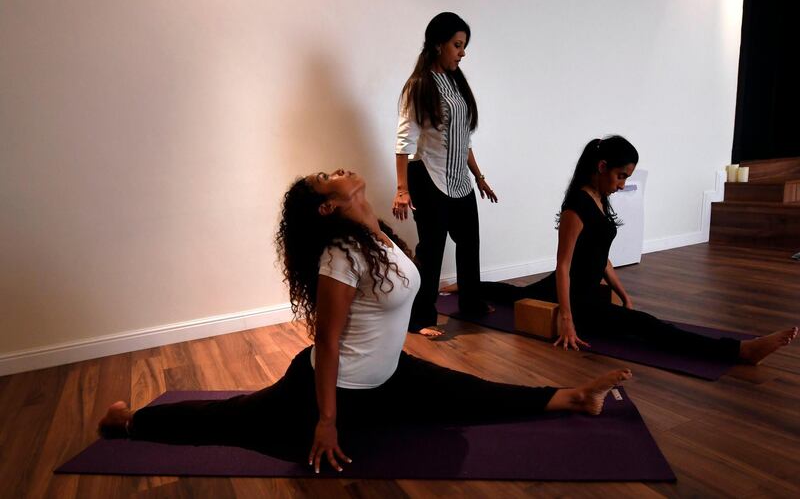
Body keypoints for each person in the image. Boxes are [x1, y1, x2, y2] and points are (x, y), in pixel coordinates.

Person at [98, 168, 633, 474]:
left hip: (390, 374)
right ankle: (127, 423)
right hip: (332, 387)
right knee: (233, 418)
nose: (338, 172)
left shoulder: (376, 231)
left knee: (472, 392)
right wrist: (326, 421)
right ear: (328, 208)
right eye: (328, 179)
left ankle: (573, 398)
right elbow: (326, 343)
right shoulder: (339, 256)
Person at [467, 135, 797, 362]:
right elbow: (564, 265)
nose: (623, 184)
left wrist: (623, 294)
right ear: (601, 167)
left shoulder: (600, 199)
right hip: (575, 297)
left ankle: (464, 286)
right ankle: (739, 351)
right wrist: (567, 319)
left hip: (587, 291)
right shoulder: (576, 207)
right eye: (621, 175)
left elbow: (602, 259)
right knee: (647, 326)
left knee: (511, 294)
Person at [393, 12, 497, 337]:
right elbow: (404, 141)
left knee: (469, 243)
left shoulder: (456, 81)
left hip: (460, 181)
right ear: (439, 44)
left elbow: (464, 139)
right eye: (457, 45)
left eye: (463, 46)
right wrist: (401, 189)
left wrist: (478, 177)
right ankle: (421, 318)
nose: (462, 52)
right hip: (428, 175)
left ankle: (471, 303)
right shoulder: (419, 86)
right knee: (432, 249)